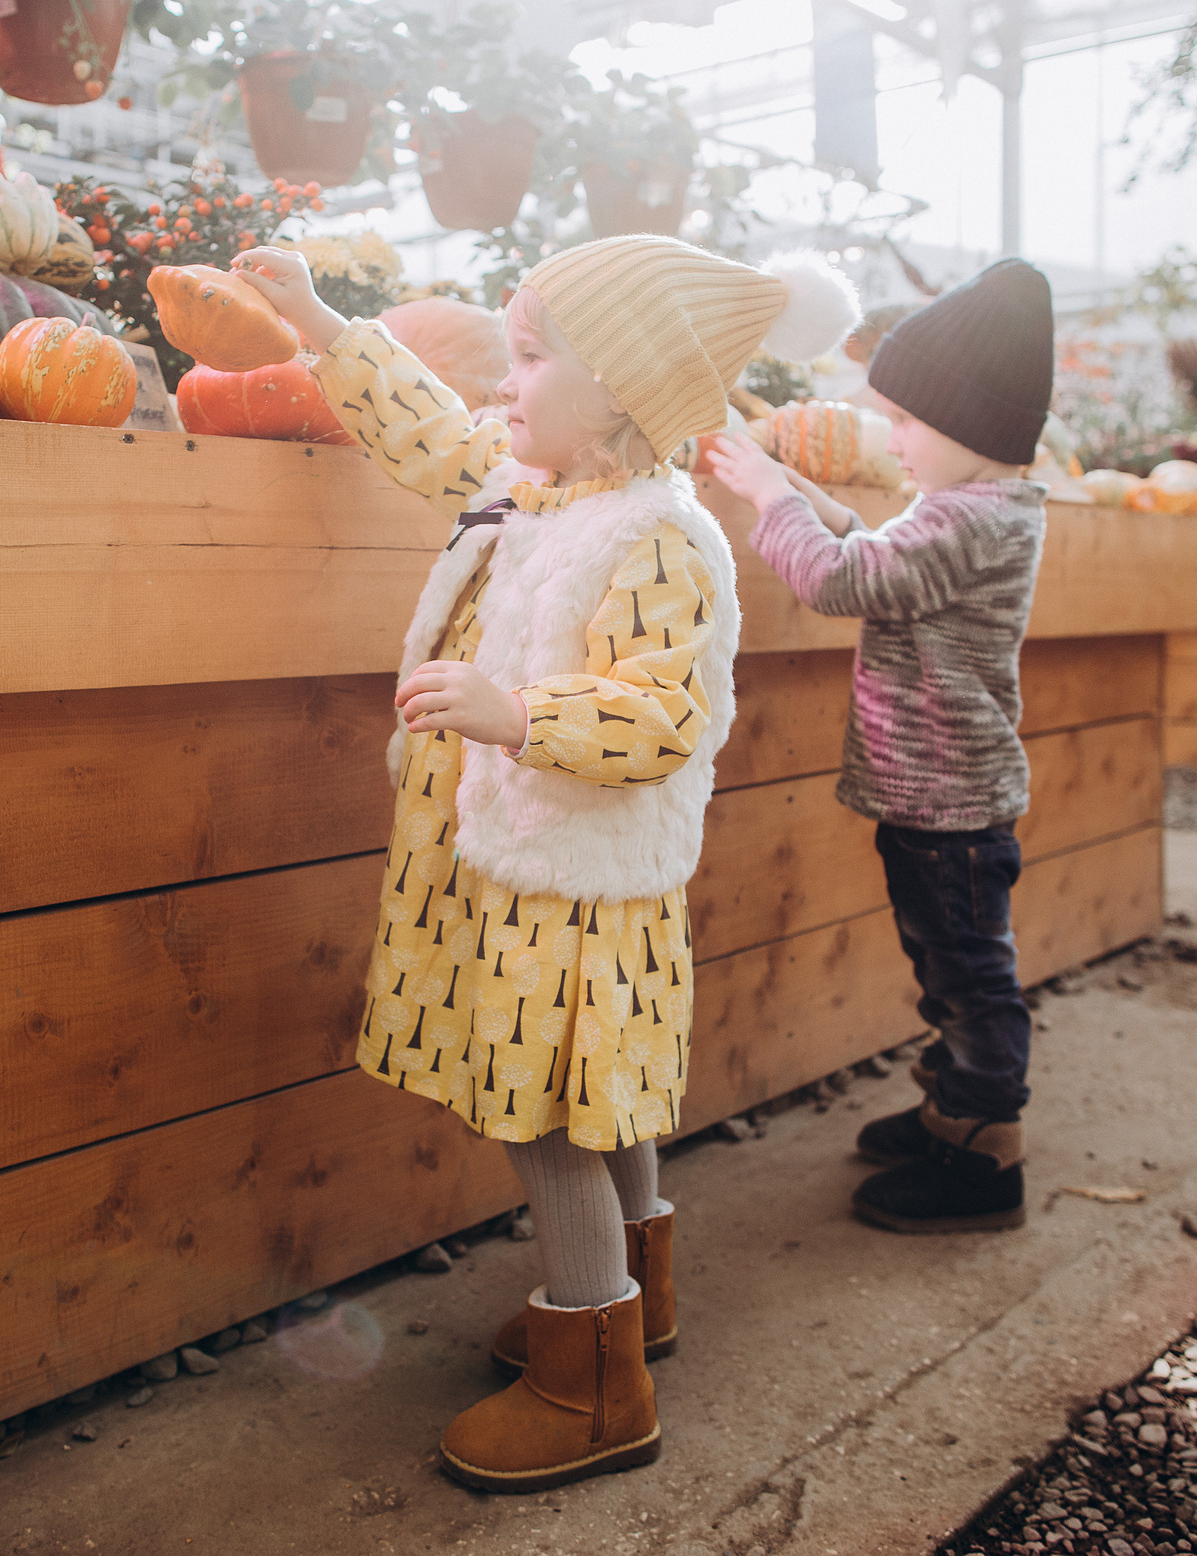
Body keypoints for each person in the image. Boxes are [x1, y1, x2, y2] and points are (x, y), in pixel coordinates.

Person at [232, 235, 855, 1491]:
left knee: (556, 1110)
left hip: (573, 876)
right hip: (517, 857)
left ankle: (591, 1391)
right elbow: (425, 431)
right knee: (596, 1085)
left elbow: (662, 712)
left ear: (621, 387)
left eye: (526, 360)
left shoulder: (661, 536)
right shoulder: (534, 485)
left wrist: (515, 712)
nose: (500, 389)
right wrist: (316, 318)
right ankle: (627, 1301)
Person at [697, 257, 1054, 1235]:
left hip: (949, 806)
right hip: (937, 798)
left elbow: (848, 583)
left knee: (968, 976)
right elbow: (879, 550)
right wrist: (805, 493)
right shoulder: (970, 508)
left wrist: (773, 501)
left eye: (904, 422)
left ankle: (984, 1154)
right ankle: (952, 1108)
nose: (889, 438)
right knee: (945, 963)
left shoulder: (971, 518)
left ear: (967, 425)